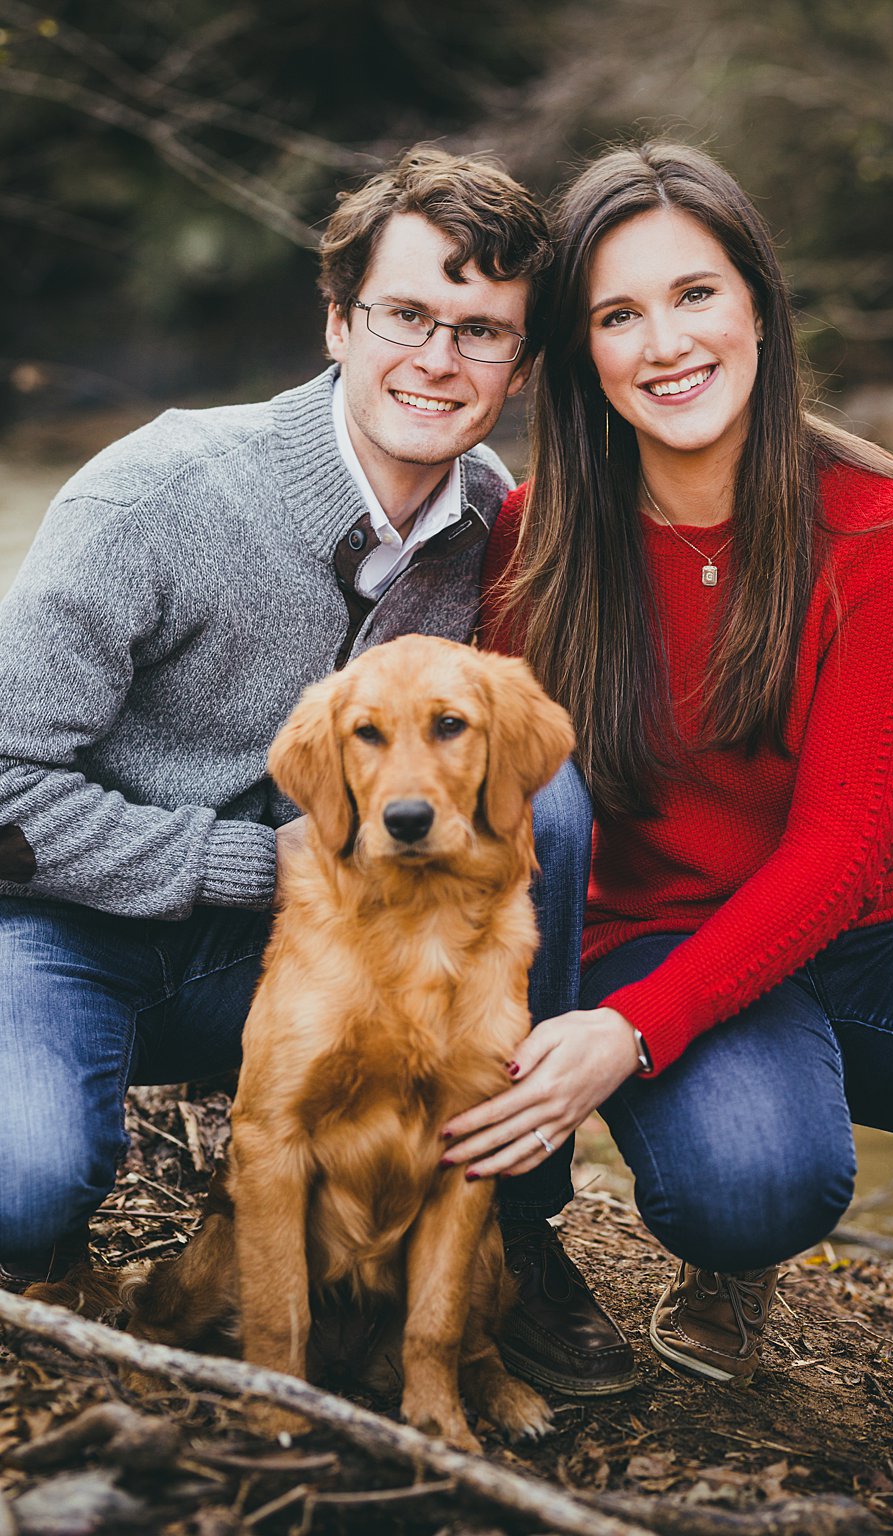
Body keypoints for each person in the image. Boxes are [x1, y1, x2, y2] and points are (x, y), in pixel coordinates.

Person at [445, 143, 893, 1520]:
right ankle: (564, 1255)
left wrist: (633, 1035)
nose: (668, 342)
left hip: (886, 916)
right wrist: (631, 1009)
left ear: (758, 304)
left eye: (695, 293)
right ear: (582, 356)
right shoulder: (536, 544)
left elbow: (841, 855)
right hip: (658, 934)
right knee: (754, 1188)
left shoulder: (891, 529)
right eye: (618, 314)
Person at [0, 146, 638, 1398]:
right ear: (340, 320)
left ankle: (512, 1210)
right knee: (22, 1187)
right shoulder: (157, 494)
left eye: (482, 333)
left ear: (518, 368)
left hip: (300, 950)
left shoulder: (491, 517)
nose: (438, 359)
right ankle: (65, 1203)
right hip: (71, 926)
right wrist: (255, 859)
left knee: (543, 803)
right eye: (406, 315)